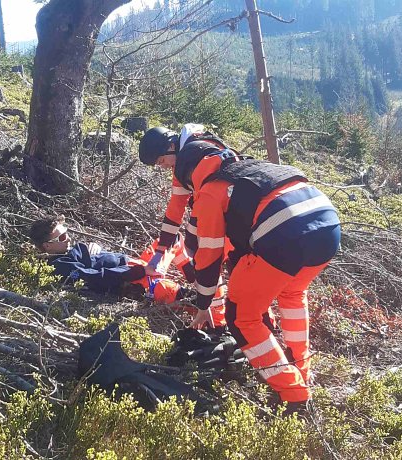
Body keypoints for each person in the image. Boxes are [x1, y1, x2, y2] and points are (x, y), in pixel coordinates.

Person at [174, 148, 341, 411]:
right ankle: (300, 366)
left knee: (241, 317)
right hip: (328, 224)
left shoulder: (211, 189)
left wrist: (204, 304)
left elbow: (209, 255)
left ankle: (294, 394)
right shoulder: (249, 170)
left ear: (189, 174)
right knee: (292, 294)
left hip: (285, 235)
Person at [139, 124, 231, 328]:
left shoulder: (189, 159)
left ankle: (216, 317)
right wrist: (161, 250)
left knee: (207, 262)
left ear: (171, 146)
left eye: (161, 161)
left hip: (219, 214)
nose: (163, 166)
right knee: (219, 265)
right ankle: (219, 315)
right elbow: (175, 210)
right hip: (230, 213)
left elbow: (181, 209)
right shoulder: (197, 150)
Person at [29, 216, 189, 304]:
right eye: (62, 237)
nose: (68, 238)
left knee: (172, 239)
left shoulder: (69, 251)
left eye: (67, 232)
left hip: (139, 265)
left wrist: (90, 248)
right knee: (173, 292)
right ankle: (209, 308)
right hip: (135, 279)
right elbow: (94, 277)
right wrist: (140, 271)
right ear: (47, 246)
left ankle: (193, 277)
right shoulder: (59, 267)